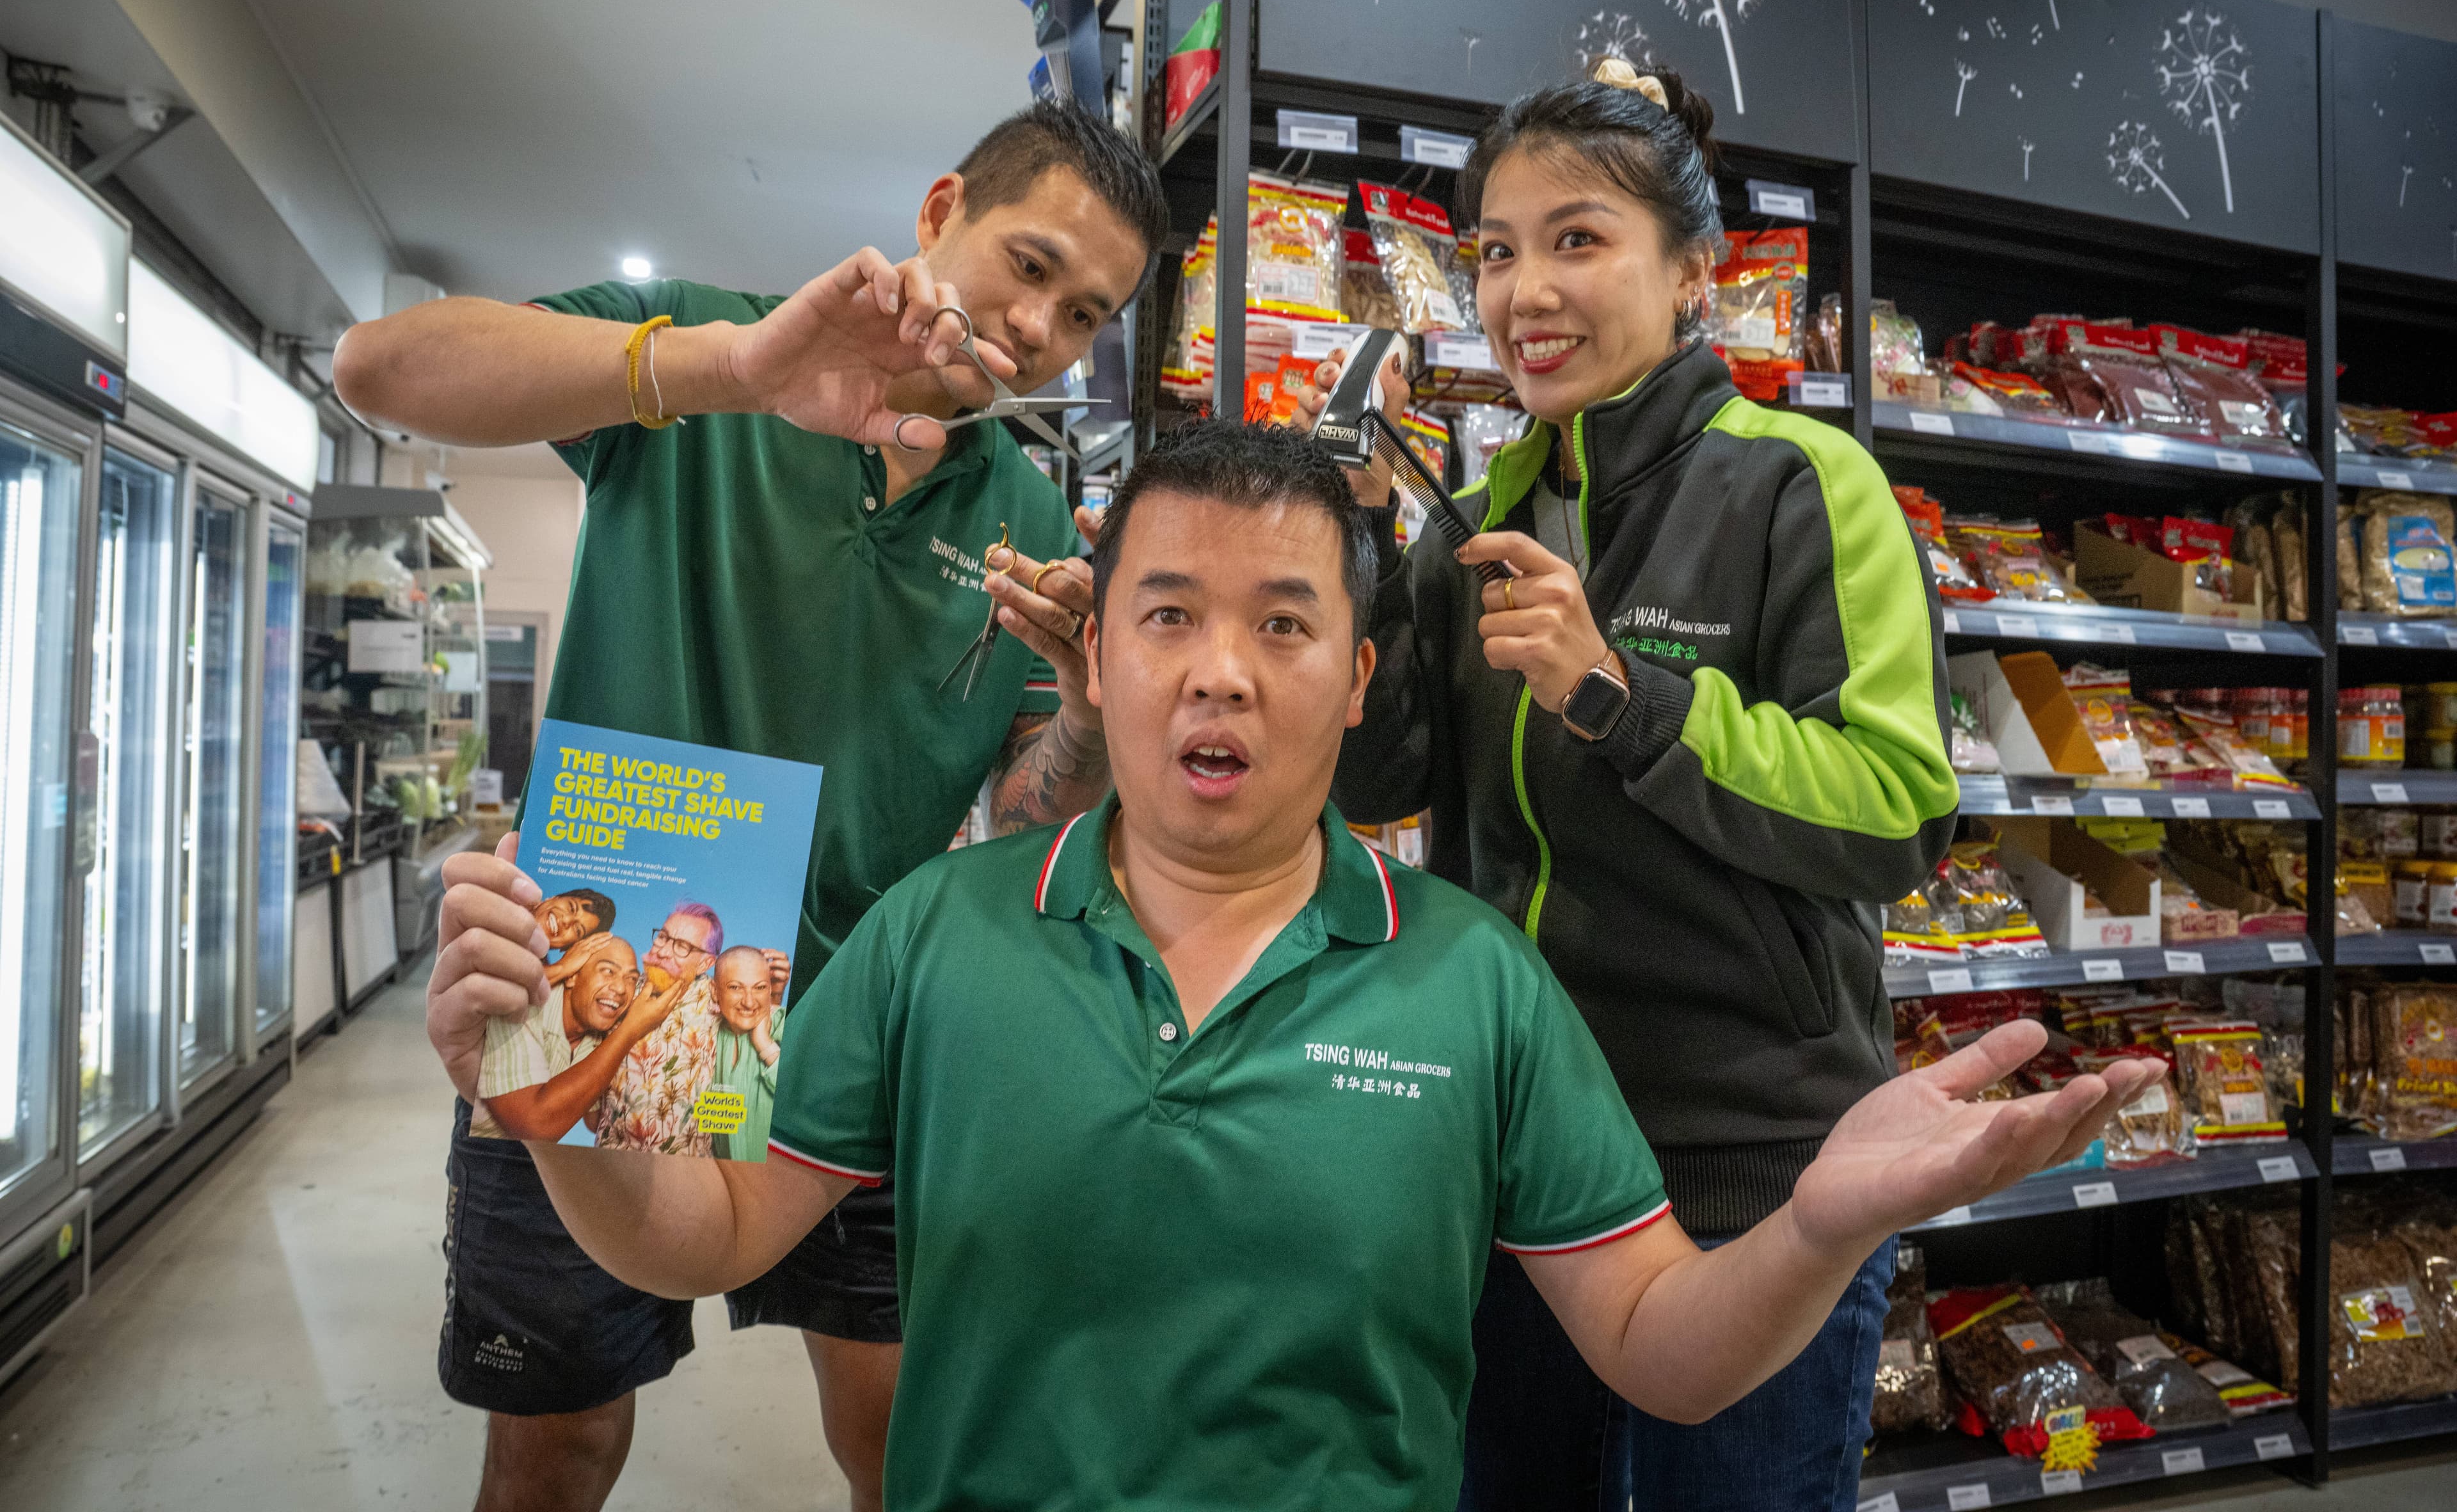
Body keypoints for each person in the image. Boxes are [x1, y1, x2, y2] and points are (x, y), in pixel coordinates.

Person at [424, 420, 2156, 1512]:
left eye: (1283, 623)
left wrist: (1823, 1220)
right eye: (1168, 615)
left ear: (1358, 680)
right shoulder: (933, 936)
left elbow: (1659, 1350)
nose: (1221, 672)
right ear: (1095, 659)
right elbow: (712, 1231)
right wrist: (554, 1098)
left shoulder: (1475, 983)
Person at [335, 98, 1167, 1512]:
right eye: (1030, 267)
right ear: (941, 211)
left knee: (903, 1439)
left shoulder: (1028, 518)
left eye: (1086, 314)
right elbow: (379, 368)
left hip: (863, 1029)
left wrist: (1087, 715)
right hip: (605, 979)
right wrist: (727, 369)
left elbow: (1029, 819)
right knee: (557, 1446)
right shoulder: (715, 349)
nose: (1041, 328)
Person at [1313, 59, 1962, 1509]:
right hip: (1518, 1167)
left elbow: (1897, 807)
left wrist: (1619, 695)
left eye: (1577, 238)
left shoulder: (1801, 484)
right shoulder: (1468, 523)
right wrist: (1355, 545)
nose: (1525, 290)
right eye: (1494, 251)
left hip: (1751, 1183)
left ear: (1690, 275)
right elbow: (1374, 778)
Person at [473, 937, 692, 1142]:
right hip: (482, 1156)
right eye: (608, 971)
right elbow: (534, 1127)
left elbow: (595, 1121)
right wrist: (630, 1030)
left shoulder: (598, 1038)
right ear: (572, 976)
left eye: (631, 979)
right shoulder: (522, 1008)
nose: (620, 989)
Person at [595, 903, 726, 1156]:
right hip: (611, 1159)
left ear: (705, 963)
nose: (663, 951)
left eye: (683, 946)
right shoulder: (622, 991)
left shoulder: (718, 999)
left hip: (686, 1165)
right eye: (664, 937)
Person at [708, 945, 783, 1163]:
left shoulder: (786, 1023)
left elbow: (797, 1098)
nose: (749, 1002)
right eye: (735, 987)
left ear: (770, 989)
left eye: (759, 988)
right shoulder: (704, 1035)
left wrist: (764, 1044)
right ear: (715, 991)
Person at [535, 888, 616, 987]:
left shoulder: (544, 975)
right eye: (572, 908)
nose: (566, 920)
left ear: (568, 948)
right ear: (552, 899)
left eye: (578, 930)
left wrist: (563, 968)